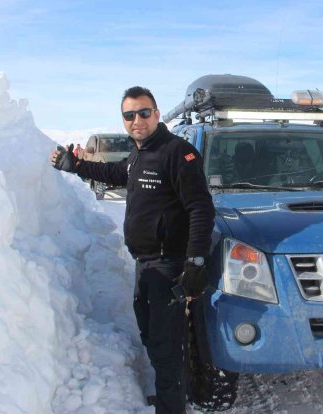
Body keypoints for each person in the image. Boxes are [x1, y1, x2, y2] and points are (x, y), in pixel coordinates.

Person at [50, 86, 214, 414]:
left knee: (167, 348)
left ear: (155, 114)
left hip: (170, 265)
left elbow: (201, 209)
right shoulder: (140, 153)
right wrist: (76, 165)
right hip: (146, 265)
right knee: (152, 336)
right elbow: (114, 172)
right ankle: (171, 396)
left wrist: (195, 262)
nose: (136, 120)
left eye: (143, 113)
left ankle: (172, 405)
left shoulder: (177, 153)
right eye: (129, 115)